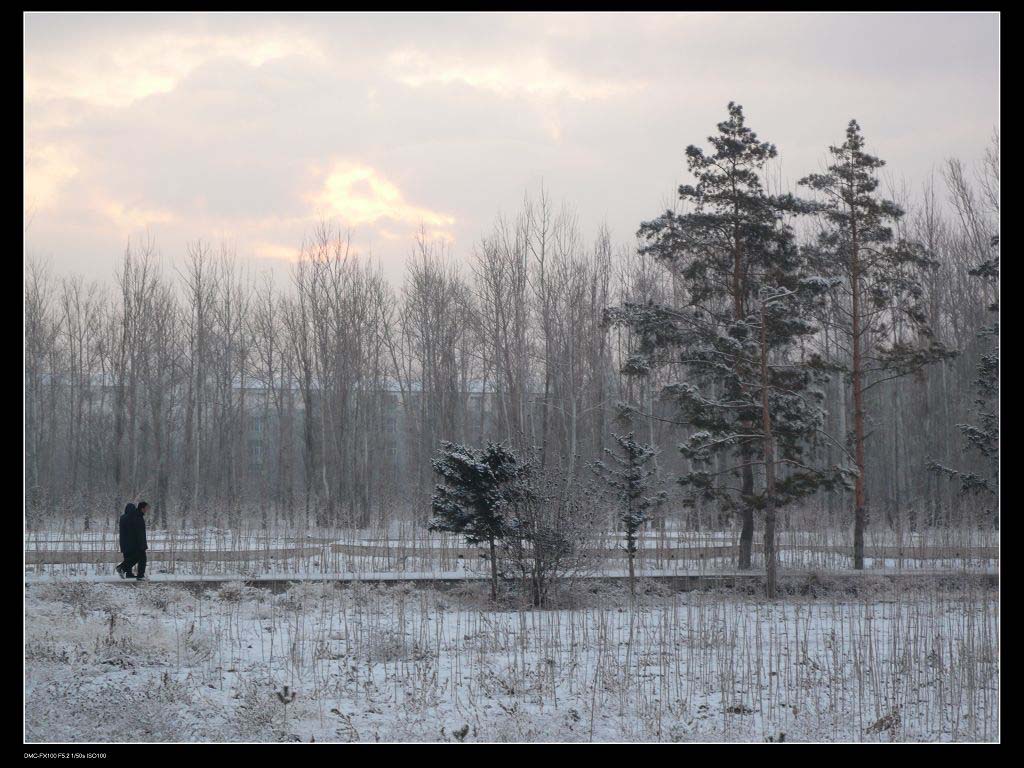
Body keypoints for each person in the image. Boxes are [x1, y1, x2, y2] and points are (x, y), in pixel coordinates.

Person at [116, 501, 149, 580]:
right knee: (140, 557)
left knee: (129, 557)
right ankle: (124, 569)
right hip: (134, 542)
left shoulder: (123, 517)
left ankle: (129, 573)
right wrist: (142, 544)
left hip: (124, 542)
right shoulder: (136, 517)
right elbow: (139, 532)